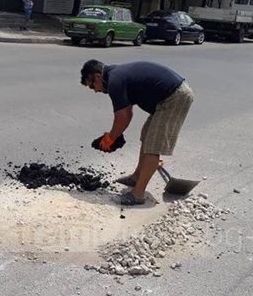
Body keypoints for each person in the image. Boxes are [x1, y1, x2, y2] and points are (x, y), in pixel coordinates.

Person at [81, 59, 194, 206]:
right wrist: (113, 136)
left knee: (153, 145)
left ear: (97, 76)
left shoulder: (115, 80)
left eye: (92, 86)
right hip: (167, 97)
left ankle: (138, 194)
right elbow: (127, 113)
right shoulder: (115, 76)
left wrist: (110, 138)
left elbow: (123, 117)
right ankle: (136, 177)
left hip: (174, 97)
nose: (96, 90)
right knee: (147, 135)